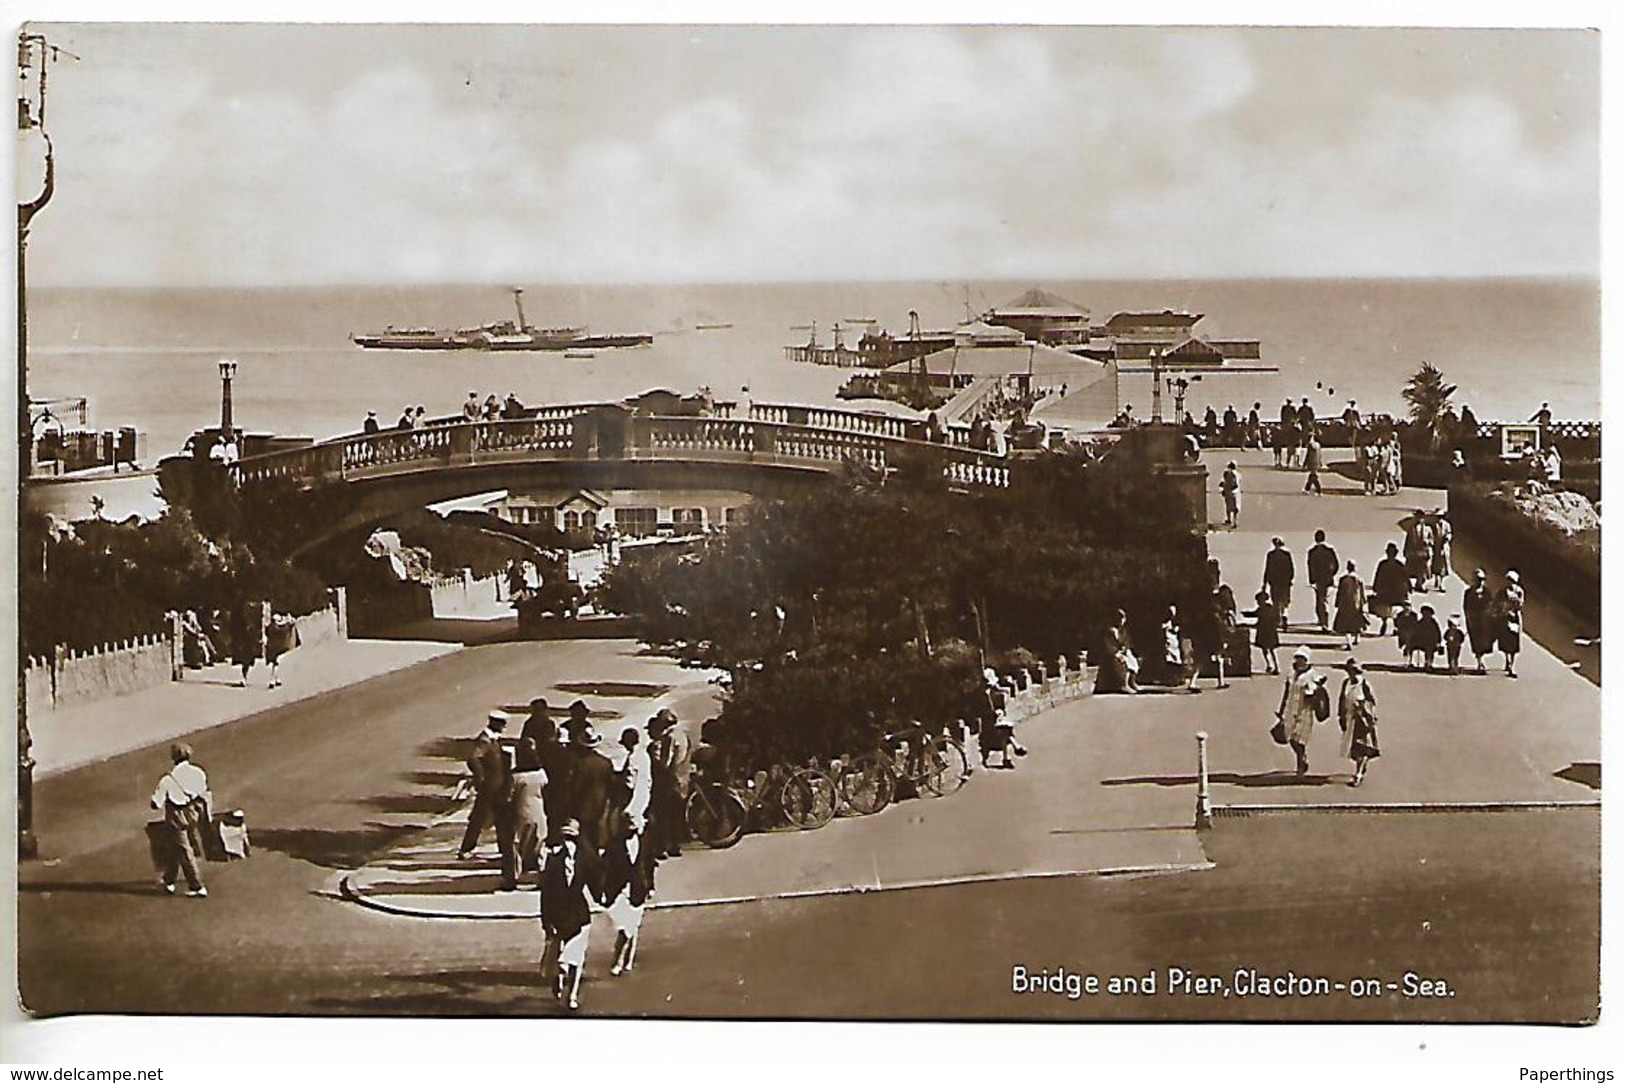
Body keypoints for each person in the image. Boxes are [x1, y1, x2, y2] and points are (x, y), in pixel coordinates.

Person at [538, 819, 601, 1012]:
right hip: (558, 916)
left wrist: (603, 898)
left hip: (578, 917)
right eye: (565, 838)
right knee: (557, 958)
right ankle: (557, 980)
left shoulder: (585, 860)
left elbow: (594, 884)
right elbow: (546, 894)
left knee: (575, 959)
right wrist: (546, 922)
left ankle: (573, 994)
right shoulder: (553, 863)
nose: (568, 843)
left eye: (572, 838)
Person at [459, 711, 519, 890]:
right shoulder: (485, 740)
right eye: (501, 723)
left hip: (496, 788)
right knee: (479, 817)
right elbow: (473, 759)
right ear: (495, 723)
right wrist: (481, 778)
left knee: (497, 819)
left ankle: (498, 848)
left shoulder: (494, 739)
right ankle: (466, 848)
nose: (503, 727)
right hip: (489, 788)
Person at [150, 743, 210, 897]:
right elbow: (202, 791)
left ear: (173, 758)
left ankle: (197, 886)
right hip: (194, 814)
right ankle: (169, 881)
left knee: (183, 849)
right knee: (174, 847)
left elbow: (156, 804)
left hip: (177, 818)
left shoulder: (168, 779)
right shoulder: (198, 772)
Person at [562, 702, 614, 852]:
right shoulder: (606, 762)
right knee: (596, 837)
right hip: (601, 805)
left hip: (583, 807)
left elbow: (576, 787)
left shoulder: (581, 764)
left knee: (584, 840)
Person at [646, 709, 691, 859]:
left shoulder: (669, 738)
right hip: (682, 778)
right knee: (675, 814)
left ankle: (662, 846)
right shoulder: (682, 734)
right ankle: (675, 845)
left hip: (669, 780)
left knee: (662, 814)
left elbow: (666, 761)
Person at [1276, 647, 1326, 776]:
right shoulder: (1291, 674)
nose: (1299, 661)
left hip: (1305, 711)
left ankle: (1300, 764)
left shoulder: (1312, 675)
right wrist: (1281, 710)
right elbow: (1286, 692)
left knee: (1299, 739)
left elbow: (1318, 693)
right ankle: (1302, 757)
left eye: (1302, 658)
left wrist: (1314, 692)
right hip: (1290, 709)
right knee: (1290, 738)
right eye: (1298, 658)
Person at [1336, 658, 1379, 787]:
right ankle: (1361, 766)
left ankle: (1358, 774)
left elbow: (1372, 700)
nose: (1352, 674)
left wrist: (1362, 706)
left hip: (1362, 720)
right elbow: (1341, 700)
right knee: (1353, 751)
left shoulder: (1364, 684)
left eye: (1354, 671)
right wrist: (1341, 716)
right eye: (1349, 671)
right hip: (1350, 720)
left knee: (1361, 747)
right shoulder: (1346, 683)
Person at [512, 737, 549, 879]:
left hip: (520, 812)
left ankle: (514, 877)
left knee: (517, 846)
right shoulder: (541, 774)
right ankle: (542, 876)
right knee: (539, 845)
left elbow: (509, 796)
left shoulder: (516, 777)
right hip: (539, 812)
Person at [1371, 542, 1410, 636]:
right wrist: (1408, 589)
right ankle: (1396, 626)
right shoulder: (1399, 565)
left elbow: (1377, 577)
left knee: (1385, 606)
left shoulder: (1383, 564)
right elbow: (1406, 578)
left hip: (1385, 592)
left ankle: (1384, 622)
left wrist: (1376, 587)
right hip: (1397, 593)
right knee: (1398, 608)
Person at [1462, 569, 1496, 675]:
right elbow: (1466, 607)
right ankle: (1479, 662)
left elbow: (1491, 605)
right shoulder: (1468, 593)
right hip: (1474, 621)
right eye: (1478, 580)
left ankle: (1481, 660)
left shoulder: (1487, 592)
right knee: (1476, 642)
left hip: (1485, 621)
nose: (1480, 582)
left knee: (1485, 642)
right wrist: (1469, 618)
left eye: (1481, 580)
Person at [1306, 529, 1339, 633]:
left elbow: (1310, 567)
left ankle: (1323, 622)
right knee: (1324, 600)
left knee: (1319, 600)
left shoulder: (1312, 552)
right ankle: (1324, 621)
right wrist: (1331, 574)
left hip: (1318, 580)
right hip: (1328, 580)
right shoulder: (1330, 550)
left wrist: (1312, 580)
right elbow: (1336, 565)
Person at [1161, 606, 1199, 693]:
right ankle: (1172, 679)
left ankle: (1178, 678)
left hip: (1175, 644)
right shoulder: (1167, 622)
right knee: (1171, 662)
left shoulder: (1176, 623)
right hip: (1169, 643)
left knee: (1177, 661)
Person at [1333, 560, 1368, 652]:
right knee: (1356, 623)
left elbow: (1339, 593)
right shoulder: (1359, 579)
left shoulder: (1343, 579)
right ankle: (1357, 638)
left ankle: (1349, 642)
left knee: (1346, 626)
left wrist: (1337, 603)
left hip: (1345, 605)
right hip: (1356, 604)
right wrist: (1363, 603)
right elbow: (1363, 594)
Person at [1498, 569, 1526, 678]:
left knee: (1514, 642)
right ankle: (1507, 660)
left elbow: (1521, 603)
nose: (1509, 583)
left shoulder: (1519, 591)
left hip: (1515, 618)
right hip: (1505, 617)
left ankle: (1511, 664)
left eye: (1512, 581)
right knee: (1505, 640)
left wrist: (1514, 605)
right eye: (1508, 580)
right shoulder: (1502, 591)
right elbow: (1498, 603)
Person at [1262, 536, 1295, 629]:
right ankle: (1284, 615)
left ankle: (1278, 619)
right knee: (1285, 601)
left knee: (1276, 601)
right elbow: (1291, 569)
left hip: (1274, 582)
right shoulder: (1286, 554)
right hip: (1285, 582)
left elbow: (1267, 569)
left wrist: (1264, 583)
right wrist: (1290, 579)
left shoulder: (1271, 555)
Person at [1247, 590, 1282, 676]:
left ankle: (1272, 665)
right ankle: (1273, 666)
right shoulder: (1270, 608)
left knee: (1266, 650)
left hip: (1265, 632)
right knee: (1270, 650)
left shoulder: (1263, 609)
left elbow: (1255, 615)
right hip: (1270, 632)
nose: (1258, 602)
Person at [264, 612, 299, 689]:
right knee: (276, 663)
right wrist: (290, 624)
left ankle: (276, 679)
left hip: (272, 648)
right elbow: (285, 629)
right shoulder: (277, 629)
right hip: (276, 649)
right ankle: (272, 680)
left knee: (276, 664)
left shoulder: (270, 627)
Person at [1411, 604, 1443, 671]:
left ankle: (1428, 664)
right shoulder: (1420, 623)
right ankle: (1410, 662)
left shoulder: (1433, 623)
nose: (1426, 615)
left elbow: (1437, 633)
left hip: (1431, 642)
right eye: (1424, 614)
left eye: (1427, 614)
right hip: (1421, 642)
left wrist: (1438, 642)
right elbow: (1415, 632)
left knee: (1429, 650)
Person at [1429, 510, 1453, 592]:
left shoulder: (1447, 525)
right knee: (1436, 564)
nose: (1439, 519)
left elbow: (1449, 533)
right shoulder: (1434, 525)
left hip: (1444, 547)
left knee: (1443, 565)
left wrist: (1447, 538)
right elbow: (1431, 535)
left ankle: (1441, 583)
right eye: (1437, 517)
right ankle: (1436, 579)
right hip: (1436, 547)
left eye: (1440, 517)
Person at [1219, 461, 1240, 529]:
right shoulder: (1237, 474)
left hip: (1229, 491)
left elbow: (1223, 482)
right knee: (1235, 507)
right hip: (1235, 492)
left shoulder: (1227, 473)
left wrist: (1222, 489)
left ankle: (1229, 519)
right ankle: (1234, 521)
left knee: (1228, 506)